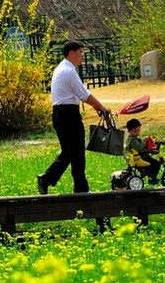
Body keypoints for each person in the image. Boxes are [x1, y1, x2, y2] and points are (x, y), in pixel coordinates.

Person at [38, 40, 112, 229]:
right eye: (80, 52)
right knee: (72, 151)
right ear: (71, 53)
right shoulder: (69, 71)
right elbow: (84, 95)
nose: (82, 55)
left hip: (62, 113)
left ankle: (81, 190)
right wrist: (101, 106)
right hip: (67, 114)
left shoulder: (61, 68)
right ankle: (48, 178)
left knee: (75, 152)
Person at [124, 118, 162, 184]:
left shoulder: (130, 139)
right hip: (141, 157)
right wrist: (144, 141)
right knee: (156, 163)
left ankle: (148, 173)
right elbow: (141, 148)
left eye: (139, 131)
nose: (137, 133)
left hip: (138, 157)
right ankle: (152, 178)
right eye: (135, 131)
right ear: (129, 131)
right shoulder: (133, 141)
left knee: (152, 161)